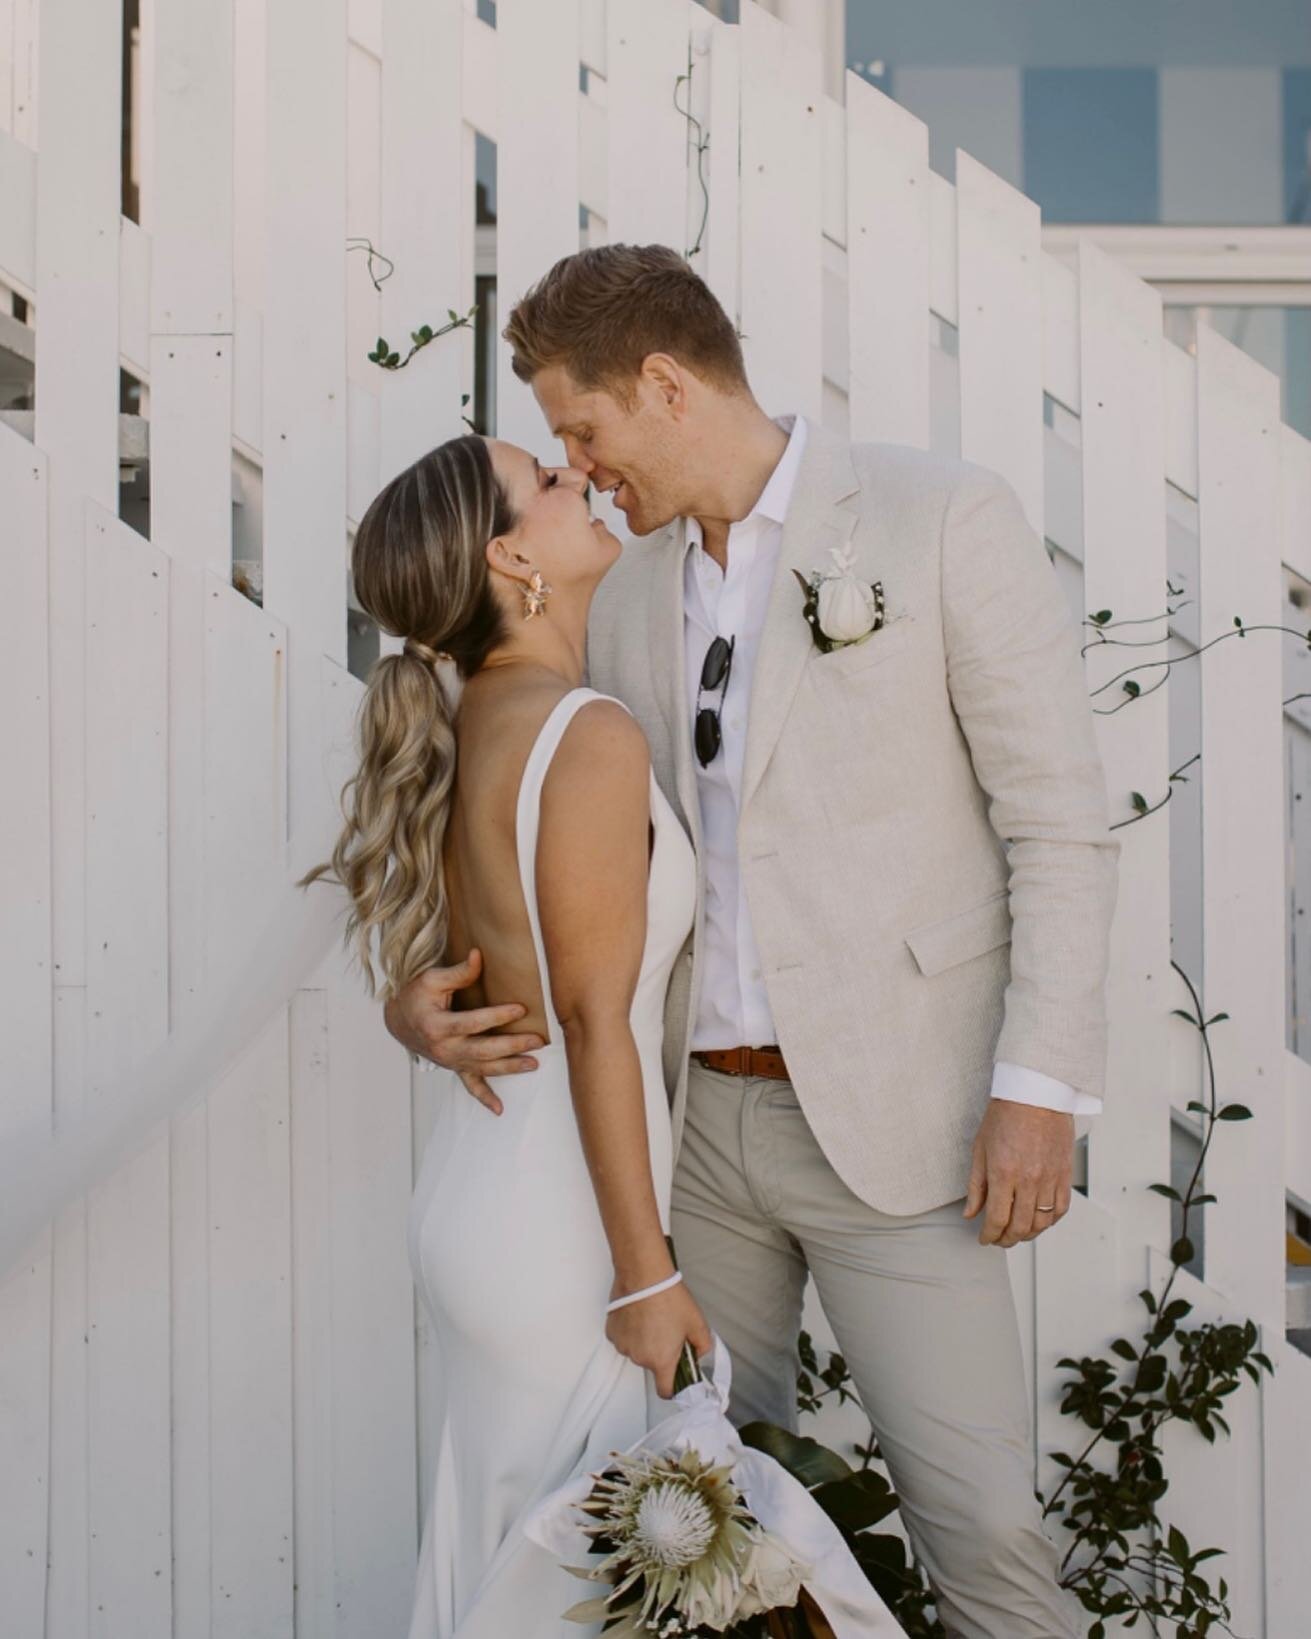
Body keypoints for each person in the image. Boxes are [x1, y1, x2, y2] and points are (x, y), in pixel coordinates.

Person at [384, 244, 1120, 1639]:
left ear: (663, 385)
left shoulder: (936, 516)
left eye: (582, 430)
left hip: (906, 1123)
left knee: (985, 1540)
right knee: (686, 1542)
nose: (581, 469)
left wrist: (1037, 1087)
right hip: (684, 1133)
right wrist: (414, 995)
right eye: (556, 453)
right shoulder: (611, 581)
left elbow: (1059, 827)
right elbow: (517, 809)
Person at [299, 431, 713, 1636]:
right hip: (564, 1237)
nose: (581, 478)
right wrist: (648, 1275)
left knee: (509, 1582)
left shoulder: (473, 714)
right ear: (509, 556)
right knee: (572, 1599)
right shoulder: (585, 734)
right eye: (549, 478)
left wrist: (407, 1012)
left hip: (489, 1197)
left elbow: (472, 964)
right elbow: (591, 1021)